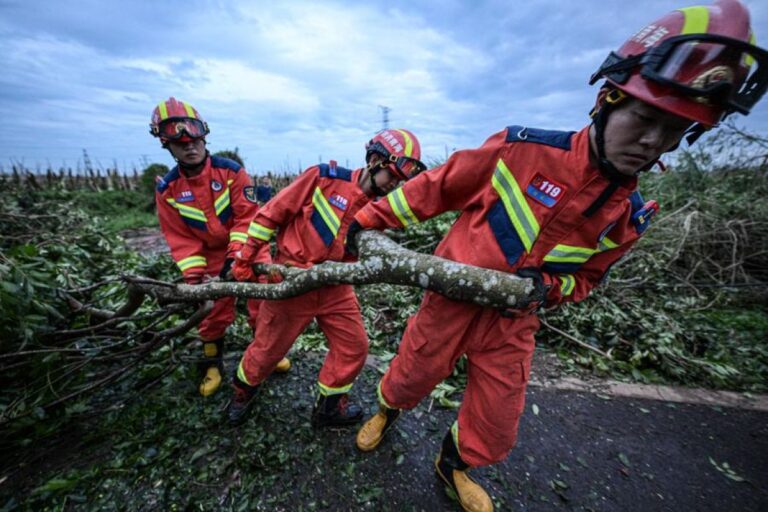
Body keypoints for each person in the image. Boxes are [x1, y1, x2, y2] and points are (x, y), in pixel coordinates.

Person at [346, 2, 767, 511]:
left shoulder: (628, 215)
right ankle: (388, 414)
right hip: (449, 300)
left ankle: (453, 463)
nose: (654, 141)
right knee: (410, 373)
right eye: (646, 117)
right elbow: (431, 189)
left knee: (498, 419)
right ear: (607, 99)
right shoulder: (521, 151)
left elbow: (589, 278)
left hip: (513, 321)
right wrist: (366, 223)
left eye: (675, 130)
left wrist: (548, 289)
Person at [226, 129, 427, 427]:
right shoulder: (323, 178)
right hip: (292, 281)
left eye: (401, 181)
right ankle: (242, 392)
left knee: (354, 346)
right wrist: (245, 257)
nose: (395, 185)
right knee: (268, 349)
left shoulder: (381, 208)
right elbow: (270, 214)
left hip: (336, 288)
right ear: (374, 161)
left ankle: (328, 408)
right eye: (393, 176)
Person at [150, 97, 290, 397]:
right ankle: (211, 363)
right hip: (209, 255)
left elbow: (247, 218)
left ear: (204, 136)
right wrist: (196, 277)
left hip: (251, 246)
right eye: (181, 143)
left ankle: (268, 354)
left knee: (263, 302)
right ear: (167, 145)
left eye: (194, 139)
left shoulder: (231, 172)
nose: (189, 147)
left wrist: (237, 259)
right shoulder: (168, 189)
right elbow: (180, 238)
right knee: (212, 312)